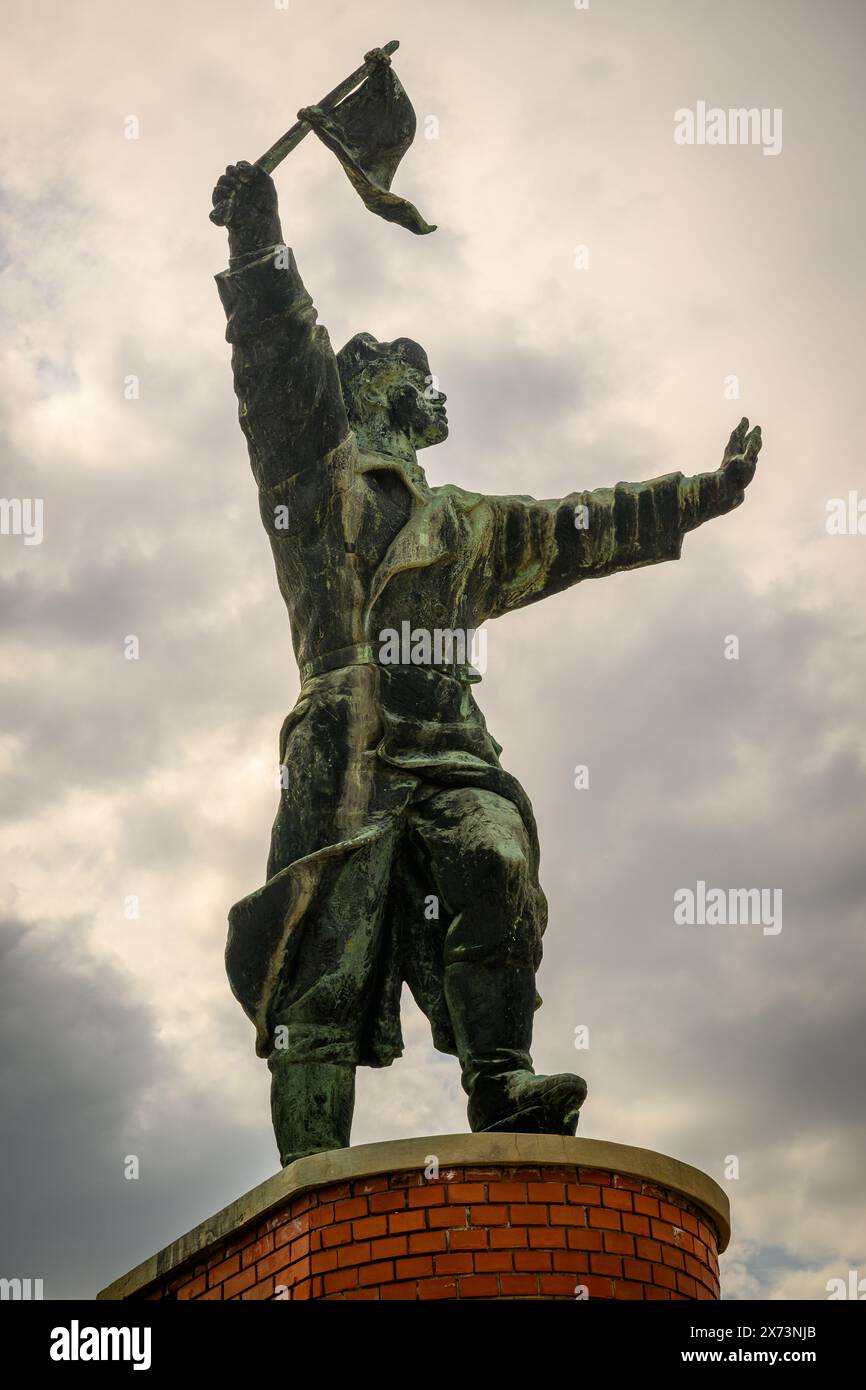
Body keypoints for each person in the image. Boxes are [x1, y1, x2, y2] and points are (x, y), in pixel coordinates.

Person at [211, 160, 762, 1167]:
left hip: (450, 755)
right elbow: (281, 356)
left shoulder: (464, 523)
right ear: (368, 387)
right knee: (320, 972)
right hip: (346, 748)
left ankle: (499, 1077)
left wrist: (698, 494)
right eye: (412, 372)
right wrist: (258, 245)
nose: (432, 388)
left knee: (496, 862)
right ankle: (308, 1184)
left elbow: (577, 525)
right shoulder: (312, 467)